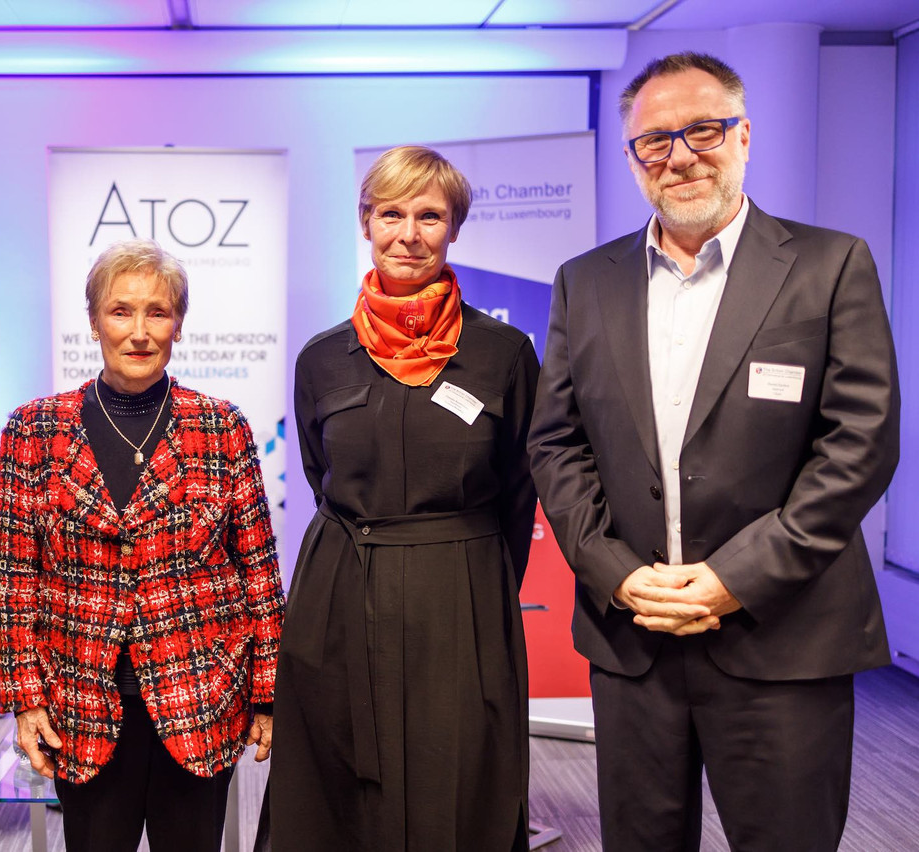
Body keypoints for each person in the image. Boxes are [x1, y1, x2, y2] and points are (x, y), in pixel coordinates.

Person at [528, 52, 900, 851]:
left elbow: (860, 444)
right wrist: (617, 574)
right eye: (654, 141)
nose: (681, 156)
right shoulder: (584, 282)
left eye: (703, 129)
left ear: (744, 135)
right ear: (632, 158)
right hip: (636, 639)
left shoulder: (829, 266)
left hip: (783, 635)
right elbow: (556, 443)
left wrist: (735, 578)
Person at [269, 145, 540, 852]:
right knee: (336, 772)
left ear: (454, 229)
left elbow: (519, 490)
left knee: (460, 772)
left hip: (462, 590)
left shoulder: (504, 354)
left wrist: (477, 582)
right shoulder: (322, 358)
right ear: (366, 223)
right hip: (339, 586)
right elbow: (317, 467)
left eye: (430, 215)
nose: (409, 233)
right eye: (391, 214)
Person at [0, 238, 285, 852]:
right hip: (82, 698)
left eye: (158, 311)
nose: (139, 331)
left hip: (202, 692)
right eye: (121, 311)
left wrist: (268, 694)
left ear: (178, 324)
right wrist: (25, 700)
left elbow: (259, 571)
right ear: (95, 321)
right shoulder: (33, 429)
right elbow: (18, 579)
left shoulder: (220, 425)